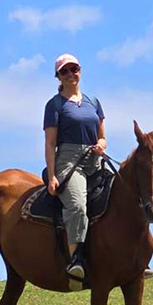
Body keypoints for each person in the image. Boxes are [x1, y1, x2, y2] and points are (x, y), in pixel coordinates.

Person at [43, 54, 106, 281]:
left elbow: (103, 137)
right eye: (65, 71)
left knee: (126, 194)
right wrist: (52, 176)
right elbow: (50, 144)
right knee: (78, 204)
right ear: (58, 76)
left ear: (80, 71)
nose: (71, 74)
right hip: (69, 161)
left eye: (74, 69)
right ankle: (76, 259)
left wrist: (100, 144)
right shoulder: (55, 105)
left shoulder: (94, 102)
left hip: (94, 159)